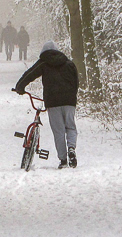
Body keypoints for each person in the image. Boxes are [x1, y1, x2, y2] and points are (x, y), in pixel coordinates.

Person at [13, 40, 79, 168]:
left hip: (53, 101)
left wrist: (19, 87)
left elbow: (30, 74)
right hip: (69, 101)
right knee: (70, 127)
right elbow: (76, 81)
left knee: (58, 131)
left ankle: (63, 160)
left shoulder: (43, 63)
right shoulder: (69, 63)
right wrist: (72, 95)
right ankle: (71, 148)